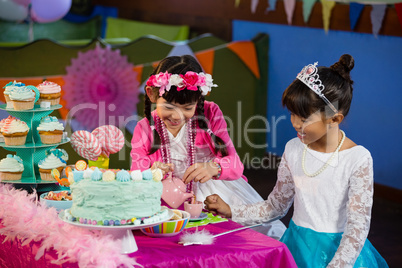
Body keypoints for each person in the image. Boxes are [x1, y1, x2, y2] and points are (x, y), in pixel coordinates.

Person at [204, 54, 389, 268]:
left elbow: (358, 225)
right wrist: (232, 211)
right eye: (292, 114)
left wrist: (339, 264)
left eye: (304, 119)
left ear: (334, 118)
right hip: (296, 247)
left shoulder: (357, 158)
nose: (295, 123)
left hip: (341, 256)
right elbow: (276, 206)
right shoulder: (293, 149)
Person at [130, 55, 286, 239]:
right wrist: (152, 172)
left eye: (187, 108)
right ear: (152, 94)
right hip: (167, 198)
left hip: (215, 194)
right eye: (169, 107)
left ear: (198, 100)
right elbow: (136, 174)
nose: (177, 116)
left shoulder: (210, 113)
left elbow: (235, 164)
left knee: (260, 237)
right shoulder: (144, 127)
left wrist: (214, 167)